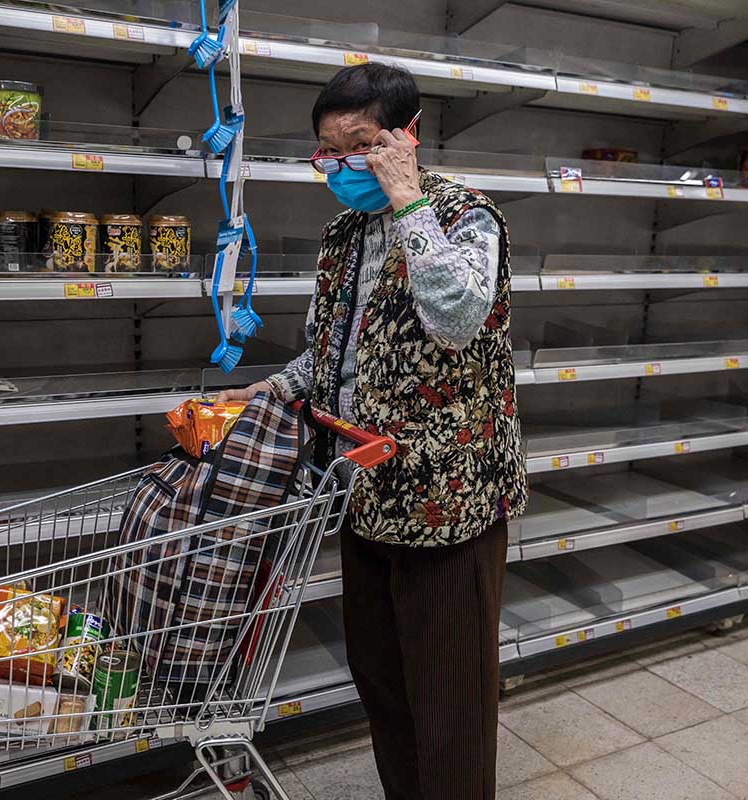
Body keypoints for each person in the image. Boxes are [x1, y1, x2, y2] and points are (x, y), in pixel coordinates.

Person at [221, 63, 527, 800]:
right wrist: (273, 387)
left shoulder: (466, 216)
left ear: (405, 134)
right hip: (362, 494)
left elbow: (455, 321)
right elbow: (336, 347)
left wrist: (407, 200)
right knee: (384, 683)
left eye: (358, 147)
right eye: (328, 153)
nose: (340, 167)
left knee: (449, 695)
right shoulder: (343, 235)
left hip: (448, 498)